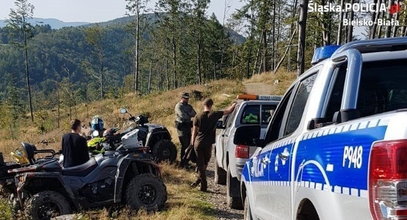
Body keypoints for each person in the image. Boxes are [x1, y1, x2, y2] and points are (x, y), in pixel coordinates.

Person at [190, 98, 236, 191]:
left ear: (204, 105)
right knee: (205, 163)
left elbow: (194, 131)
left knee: (200, 164)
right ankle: (203, 185)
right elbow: (228, 111)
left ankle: (200, 180)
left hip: (198, 143)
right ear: (211, 105)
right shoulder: (215, 114)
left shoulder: (197, 116)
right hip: (208, 143)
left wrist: (192, 143)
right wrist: (234, 104)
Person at [175, 92, 196, 167]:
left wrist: (188, 114)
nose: (187, 100)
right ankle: (182, 161)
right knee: (184, 144)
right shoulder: (178, 106)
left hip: (187, 126)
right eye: (185, 98)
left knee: (190, 144)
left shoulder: (189, 106)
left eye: (187, 98)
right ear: (182, 98)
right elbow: (182, 116)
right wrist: (188, 114)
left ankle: (186, 161)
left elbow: (194, 113)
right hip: (181, 127)